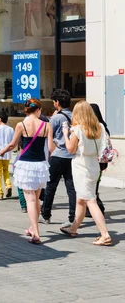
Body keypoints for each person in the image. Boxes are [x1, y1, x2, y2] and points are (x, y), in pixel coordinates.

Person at [0, 99, 51, 244]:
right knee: (36, 198)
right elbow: (51, 148)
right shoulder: (47, 125)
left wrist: (2, 151)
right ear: (39, 110)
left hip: (26, 165)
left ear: (26, 110)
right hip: (41, 165)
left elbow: (12, 144)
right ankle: (32, 228)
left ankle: (36, 234)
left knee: (30, 200)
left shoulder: (21, 125)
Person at [59, 101, 112, 246]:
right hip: (94, 165)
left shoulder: (77, 129)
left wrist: (65, 134)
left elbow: (70, 149)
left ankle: (105, 234)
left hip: (81, 167)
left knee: (90, 200)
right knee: (81, 199)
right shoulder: (99, 127)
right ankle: (73, 228)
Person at [42, 89, 76, 227]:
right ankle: (72, 216)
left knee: (51, 186)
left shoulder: (56, 118)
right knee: (72, 188)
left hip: (57, 155)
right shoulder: (75, 116)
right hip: (71, 156)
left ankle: (46, 214)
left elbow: (48, 134)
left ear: (57, 102)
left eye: (54, 101)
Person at [88, 103, 109, 215]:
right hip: (101, 161)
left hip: (92, 160)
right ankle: (95, 206)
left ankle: (96, 207)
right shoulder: (103, 126)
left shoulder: (93, 127)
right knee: (95, 184)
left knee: (90, 186)